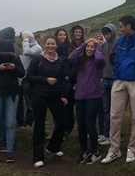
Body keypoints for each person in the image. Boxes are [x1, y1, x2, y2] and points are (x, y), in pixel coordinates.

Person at [101, 15, 135, 164]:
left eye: (122, 26)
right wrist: (117, 76)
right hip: (120, 80)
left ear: (129, 26)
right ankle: (114, 149)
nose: (121, 29)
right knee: (114, 115)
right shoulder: (121, 40)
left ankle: (132, 147)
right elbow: (117, 59)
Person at [25, 35, 69, 168]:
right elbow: (30, 77)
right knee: (39, 125)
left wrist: (63, 95)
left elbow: (62, 80)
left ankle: (53, 147)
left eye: (53, 44)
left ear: (56, 46)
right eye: (48, 44)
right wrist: (45, 80)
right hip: (39, 96)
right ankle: (37, 157)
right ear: (45, 45)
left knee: (62, 123)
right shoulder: (38, 59)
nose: (50, 46)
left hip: (55, 96)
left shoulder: (60, 61)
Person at [69, 38, 105, 164]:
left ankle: (95, 152)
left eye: (92, 47)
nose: (89, 49)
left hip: (93, 97)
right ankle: (83, 151)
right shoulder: (80, 61)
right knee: (81, 126)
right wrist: (83, 44)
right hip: (79, 97)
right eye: (88, 47)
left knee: (90, 124)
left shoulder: (98, 62)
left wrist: (98, 46)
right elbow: (70, 57)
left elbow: (100, 58)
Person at [99, 23, 118, 146]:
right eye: (105, 33)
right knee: (106, 108)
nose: (106, 36)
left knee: (115, 110)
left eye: (108, 33)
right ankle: (106, 134)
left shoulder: (118, 44)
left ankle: (116, 135)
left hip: (115, 80)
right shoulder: (103, 45)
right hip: (104, 80)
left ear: (113, 33)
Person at [18, 30, 42, 128]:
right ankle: (28, 122)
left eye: (25, 37)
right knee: (28, 102)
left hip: (31, 79)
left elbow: (27, 52)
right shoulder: (27, 46)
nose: (23, 39)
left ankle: (35, 123)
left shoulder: (37, 48)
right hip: (24, 78)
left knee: (31, 103)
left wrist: (26, 40)